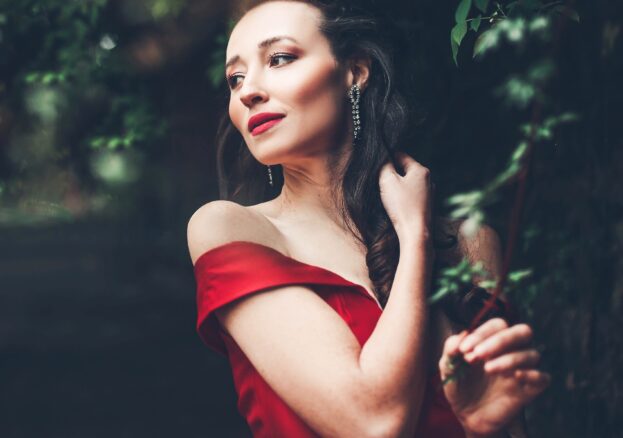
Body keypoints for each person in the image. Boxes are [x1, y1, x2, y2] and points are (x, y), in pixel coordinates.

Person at [187, 1, 550, 436]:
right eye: (235, 78)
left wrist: (481, 428)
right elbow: (373, 422)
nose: (248, 91)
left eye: (279, 58)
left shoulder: (471, 244)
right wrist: (415, 236)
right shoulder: (230, 230)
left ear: (354, 71)